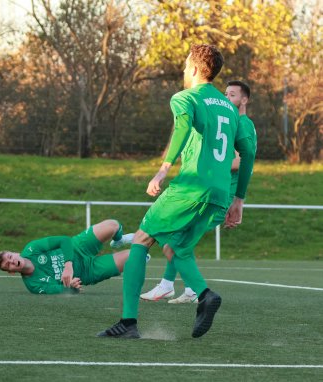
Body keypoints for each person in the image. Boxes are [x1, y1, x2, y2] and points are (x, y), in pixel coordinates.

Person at [98, 44, 256, 339]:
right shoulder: (232, 112)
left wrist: (163, 169)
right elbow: (247, 154)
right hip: (219, 194)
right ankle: (205, 294)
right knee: (176, 247)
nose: (184, 71)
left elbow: (182, 129)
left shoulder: (185, 97)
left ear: (195, 69)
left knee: (143, 239)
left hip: (191, 186)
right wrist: (239, 200)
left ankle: (128, 323)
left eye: (185, 67)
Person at [141, 80, 257, 304]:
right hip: (216, 193)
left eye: (232, 95)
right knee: (179, 241)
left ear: (244, 100)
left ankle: (177, 287)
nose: (226, 98)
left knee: (176, 242)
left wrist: (236, 198)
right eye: (225, 93)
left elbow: (242, 161)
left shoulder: (242, 124)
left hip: (220, 196)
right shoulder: (229, 120)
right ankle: (189, 289)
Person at [0, 219, 142, 294]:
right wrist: (71, 287)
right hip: (88, 271)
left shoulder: (31, 248)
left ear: (14, 253)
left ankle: (119, 240)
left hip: (78, 246)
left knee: (113, 225)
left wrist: (68, 264)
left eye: (10, 257)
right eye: (8, 265)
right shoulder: (33, 285)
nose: (12, 262)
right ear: (11, 272)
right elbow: (60, 290)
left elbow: (64, 240)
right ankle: (140, 257)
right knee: (135, 256)